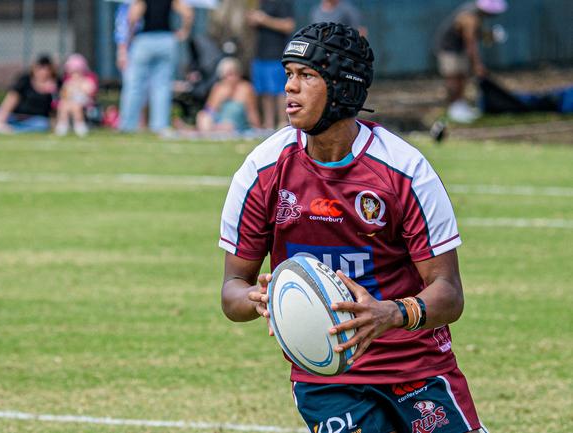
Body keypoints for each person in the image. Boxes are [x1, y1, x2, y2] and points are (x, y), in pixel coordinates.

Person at [219, 22, 488, 433]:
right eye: (289, 74)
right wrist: (258, 297)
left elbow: (448, 294)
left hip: (416, 369)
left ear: (344, 86)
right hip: (326, 377)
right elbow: (231, 291)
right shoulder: (262, 170)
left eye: (306, 75)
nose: (290, 87)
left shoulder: (405, 172)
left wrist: (391, 313)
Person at [118, 0, 193, 133]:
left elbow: (133, 16)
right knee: (162, 86)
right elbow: (188, 13)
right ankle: (159, 126)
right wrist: (184, 31)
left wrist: (130, 37)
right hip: (166, 39)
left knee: (134, 85)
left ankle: (128, 125)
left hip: (144, 40)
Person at [434, 0, 508, 123]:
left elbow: (476, 35)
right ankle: (454, 108)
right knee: (454, 78)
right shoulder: (470, 16)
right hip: (449, 49)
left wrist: (489, 36)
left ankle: (460, 105)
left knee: (462, 77)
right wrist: (477, 64)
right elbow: (470, 43)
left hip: (459, 49)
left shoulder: (476, 15)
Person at [0, 54, 59, 134]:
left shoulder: (57, 83)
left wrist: (53, 92)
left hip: (35, 120)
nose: (43, 72)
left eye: (47, 69)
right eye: (41, 69)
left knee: (42, 125)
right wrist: (1, 117)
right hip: (15, 114)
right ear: (34, 68)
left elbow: (57, 107)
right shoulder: (25, 80)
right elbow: (12, 98)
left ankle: (10, 130)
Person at [246, 0, 295, 130]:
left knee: (280, 91)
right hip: (260, 53)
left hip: (276, 54)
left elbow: (288, 25)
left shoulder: (282, 3)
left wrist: (264, 20)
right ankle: (268, 124)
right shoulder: (260, 3)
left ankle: (282, 123)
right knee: (265, 92)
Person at [195, 57, 260, 133]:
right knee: (202, 116)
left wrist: (257, 128)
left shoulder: (246, 88)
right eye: (226, 75)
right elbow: (209, 111)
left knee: (227, 126)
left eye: (232, 74)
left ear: (238, 73)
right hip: (218, 123)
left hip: (237, 126)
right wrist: (221, 99)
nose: (229, 78)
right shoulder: (219, 87)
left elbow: (252, 112)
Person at [55, 54, 98, 137]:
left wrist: (79, 85)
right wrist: (68, 89)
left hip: (85, 102)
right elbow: (63, 94)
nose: (75, 74)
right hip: (70, 101)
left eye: (77, 72)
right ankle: (62, 125)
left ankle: (79, 125)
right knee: (63, 105)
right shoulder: (68, 82)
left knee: (76, 106)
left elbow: (90, 91)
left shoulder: (87, 80)